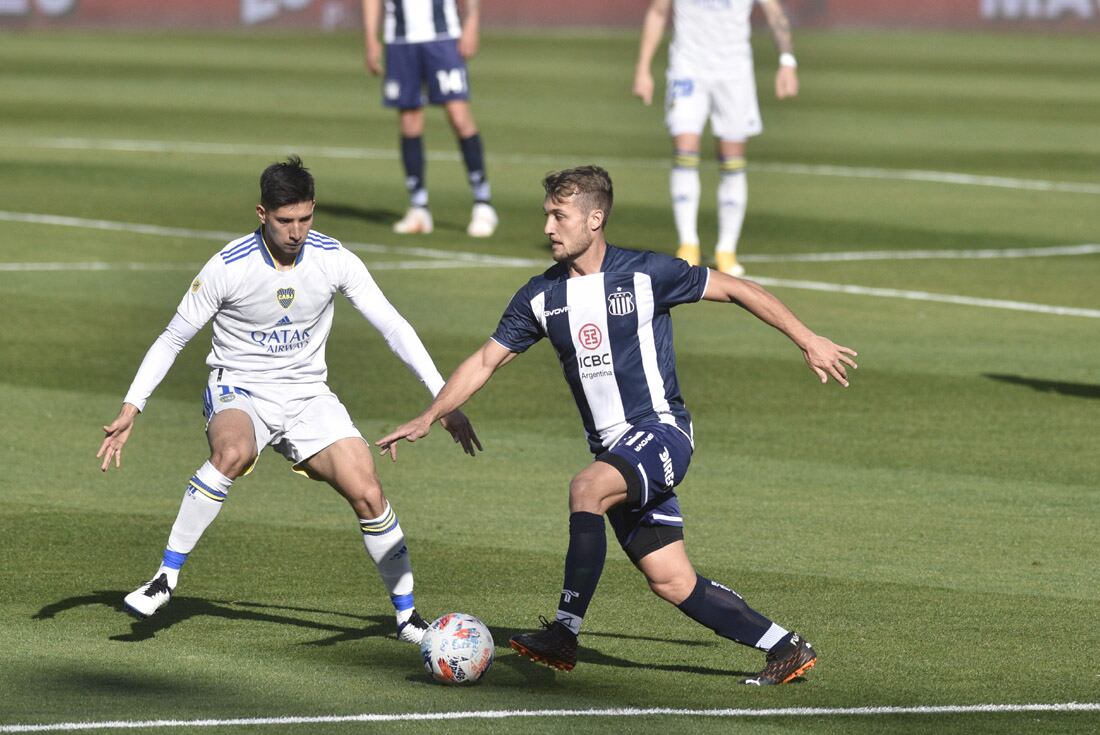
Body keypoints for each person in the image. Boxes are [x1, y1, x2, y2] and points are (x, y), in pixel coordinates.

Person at [377, 166, 856, 684]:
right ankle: (785, 647)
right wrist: (432, 414)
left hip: (662, 430)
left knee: (586, 487)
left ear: (595, 218)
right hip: (616, 451)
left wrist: (807, 338)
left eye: (560, 216)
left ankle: (564, 632)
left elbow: (738, 289)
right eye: (547, 215)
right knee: (672, 581)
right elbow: (485, 361)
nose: (548, 228)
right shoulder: (539, 297)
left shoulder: (647, 273)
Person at [97, 156, 479, 645]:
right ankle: (164, 579)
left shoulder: (334, 258)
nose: (297, 231)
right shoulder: (227, 267)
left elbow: (393, 326)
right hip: (240, 388)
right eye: (285, 221)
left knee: (368, 491)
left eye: (305, 218)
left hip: (307, 396)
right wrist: (133, 407)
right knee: (231, 453)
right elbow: (173, 338)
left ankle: (407, 618)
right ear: (262, 214)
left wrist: (442, 401)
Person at [633, 0, 799, 277]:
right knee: (685, 150)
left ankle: (726, 249)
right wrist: (643, 68)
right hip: (687, 68)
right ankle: (688, 244)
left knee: (732, 157)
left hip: (734, 73)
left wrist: (787, 61)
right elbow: (658, 11)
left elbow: (774, 12)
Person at [362, 0, 498, 238]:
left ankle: (483, 204)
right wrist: (371, 37)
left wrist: (472, 22)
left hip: (443, 37)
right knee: (409, 121)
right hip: (400, 40)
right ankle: (418, 207)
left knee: (459, 116)